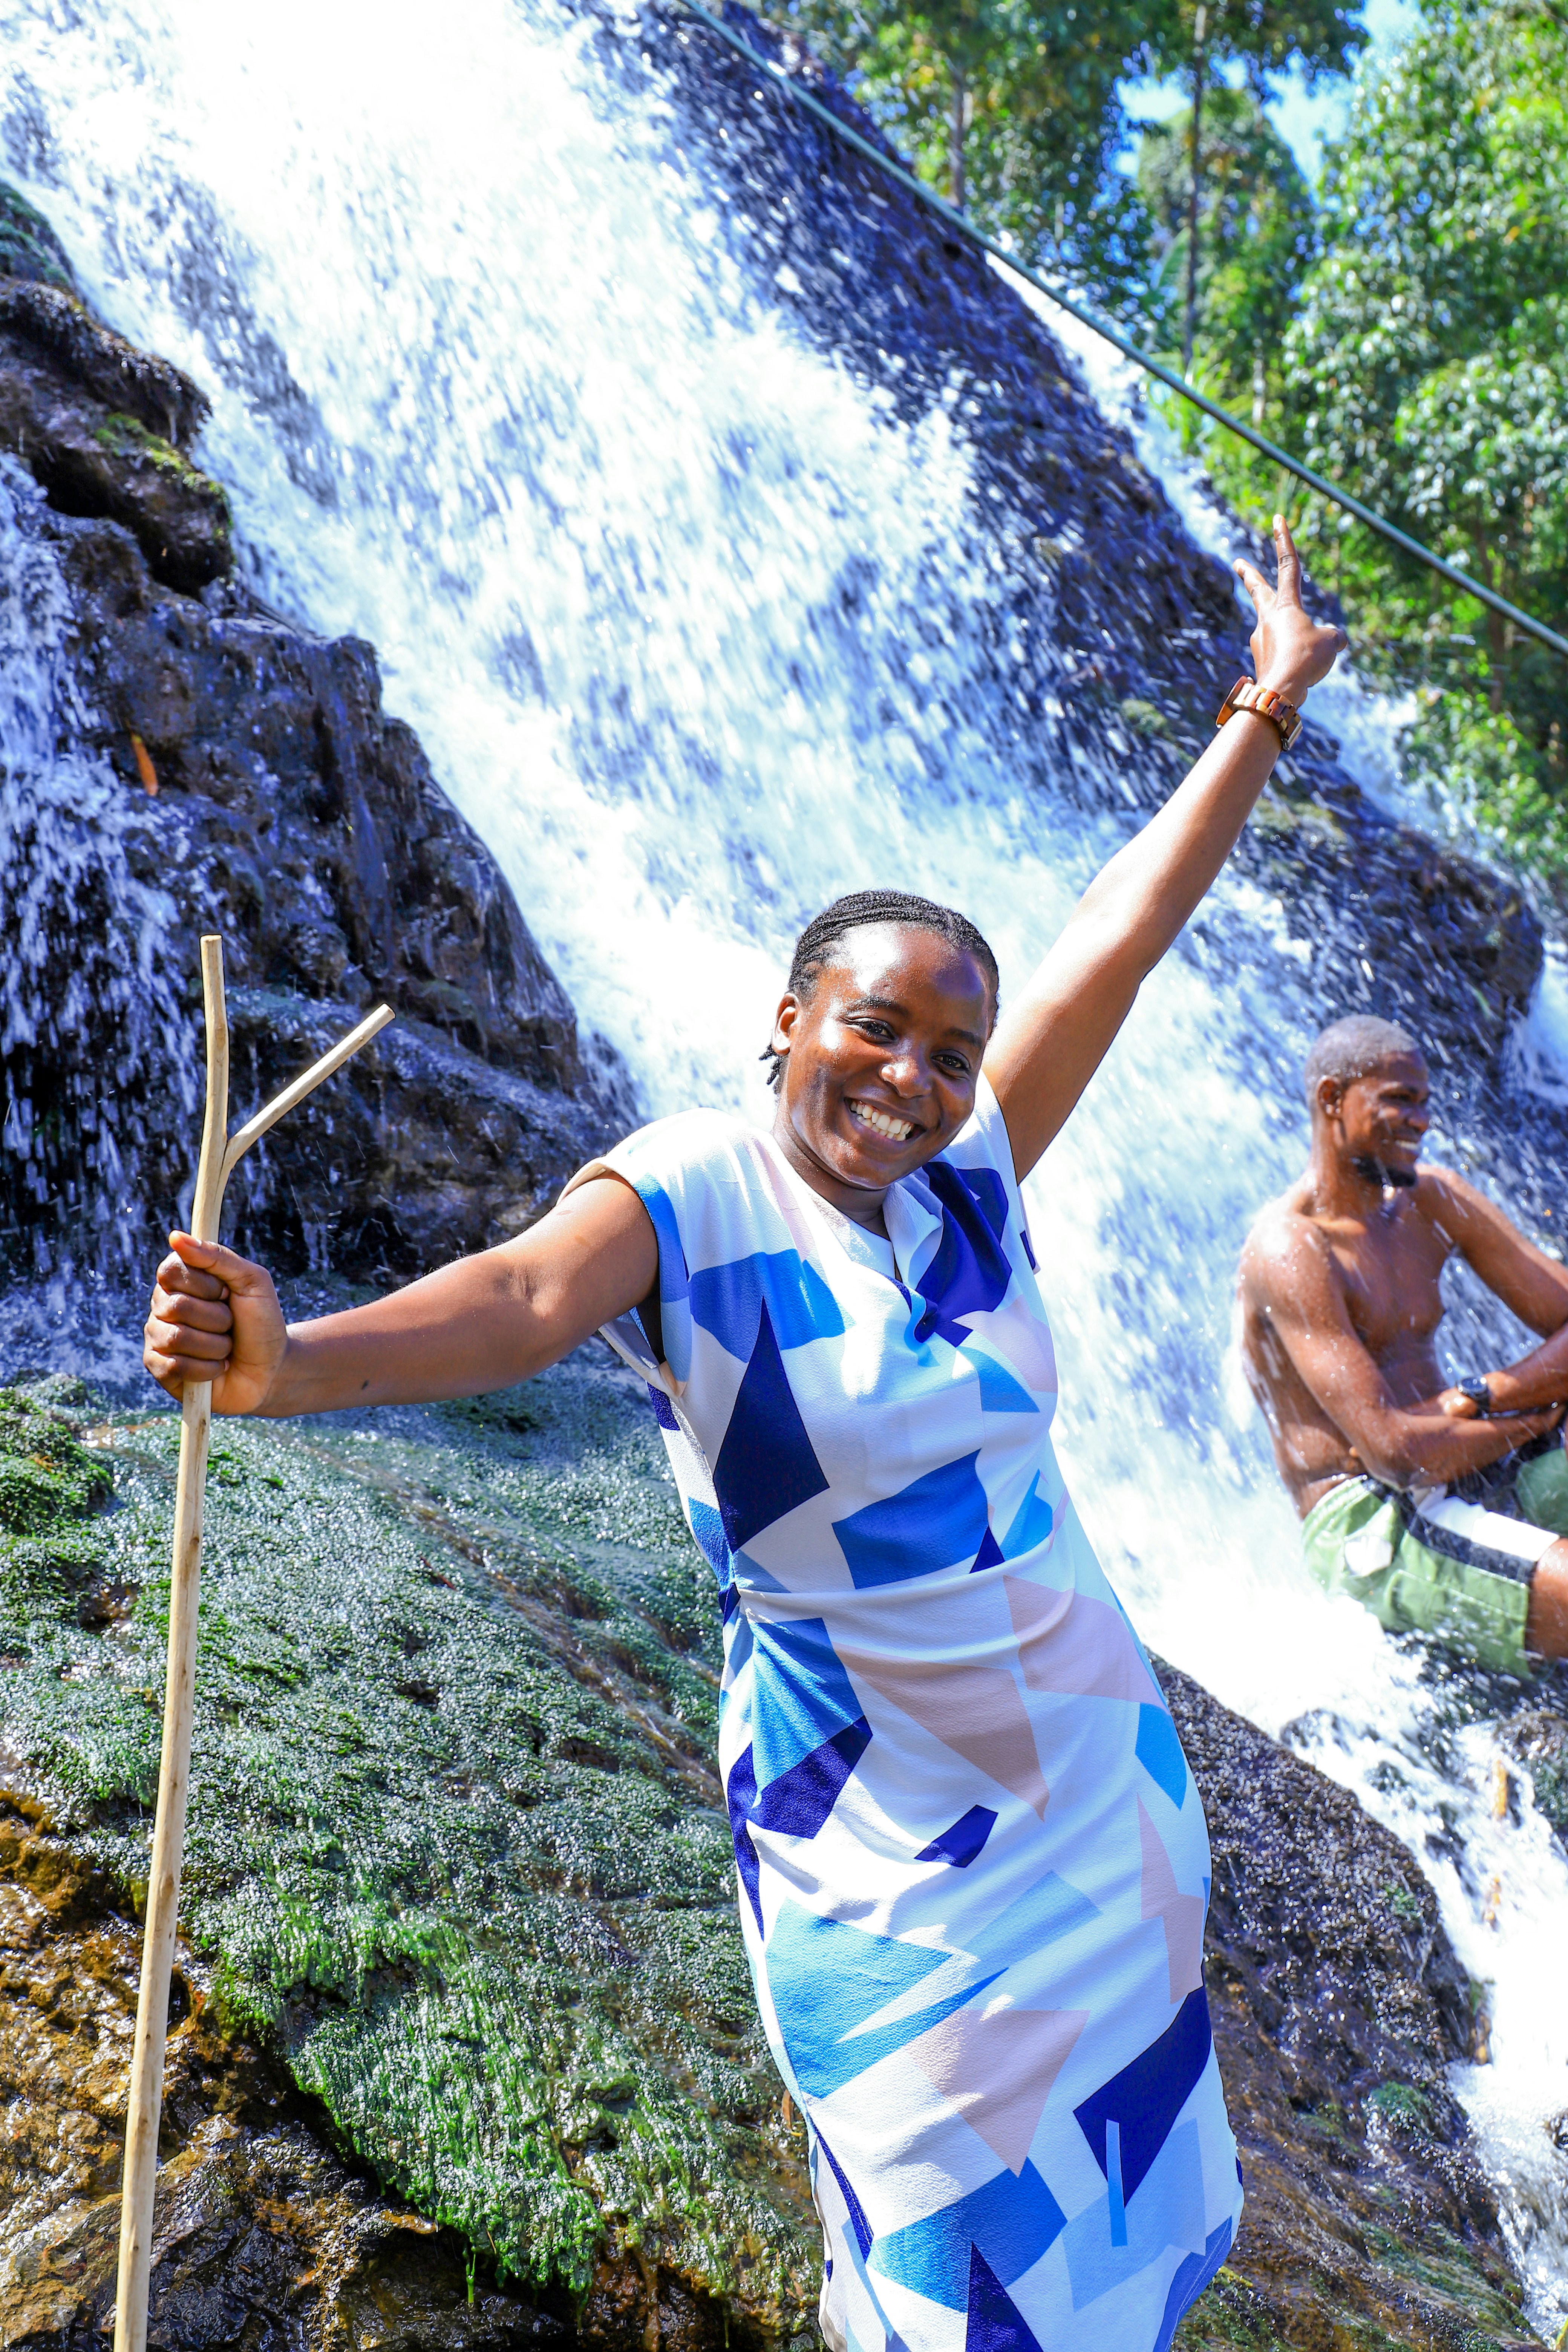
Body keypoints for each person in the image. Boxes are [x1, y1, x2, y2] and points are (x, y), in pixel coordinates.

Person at [146, 518, 1345, 2352]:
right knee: (940, 2256)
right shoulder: (694, 1187)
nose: (916, 1076)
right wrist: (287, 1357)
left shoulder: (968, 1179)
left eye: (953, 1049)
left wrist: (1263, 703)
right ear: (789, 1019)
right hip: (881, 1830)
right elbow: (518, 1297)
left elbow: (1127, 927)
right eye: (876, 1026)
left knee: (1114, 2243)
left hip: (1097, 1798)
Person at [1239, 1013, 1568, 1676]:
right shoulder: (1291, 1248)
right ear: (1333, 1100)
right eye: (1399, 1099)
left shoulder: (1433, 1202)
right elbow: (1394, 1453)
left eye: (1425, 1102)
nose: (1421, 1120)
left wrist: (1486, 1395)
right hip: (1373, 1517)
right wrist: (1533, 1418)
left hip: (1472, 1457)